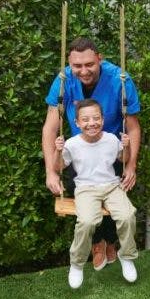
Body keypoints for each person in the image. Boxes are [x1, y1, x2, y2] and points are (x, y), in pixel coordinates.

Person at [41, 37, 141, 271]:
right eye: (77, 66)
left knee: (114, 196)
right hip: (78, 151)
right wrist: (51, 171)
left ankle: (110, 243)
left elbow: (133, 127)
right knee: (86, 203)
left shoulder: (120, 80)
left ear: (100, 59)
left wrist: (131, 165)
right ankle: (97, 244)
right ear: (69, 63)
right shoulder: (63, 81)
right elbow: (50, 127)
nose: (83, 71)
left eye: (89, 64)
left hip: (111, 148)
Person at [54, 99, 138, 288]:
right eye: (85, 119)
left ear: (102, 119)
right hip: (86, 189)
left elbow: (123, 158)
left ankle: (126, 256)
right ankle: (76, 264)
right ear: (77, 123)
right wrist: (57, 151)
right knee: (87, 221)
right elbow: (58, 166)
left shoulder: (111, 139)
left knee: (127, 215)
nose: (91, 123)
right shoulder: (72, 144)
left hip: (111, 186)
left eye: (96, 118)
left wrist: (127, 146)